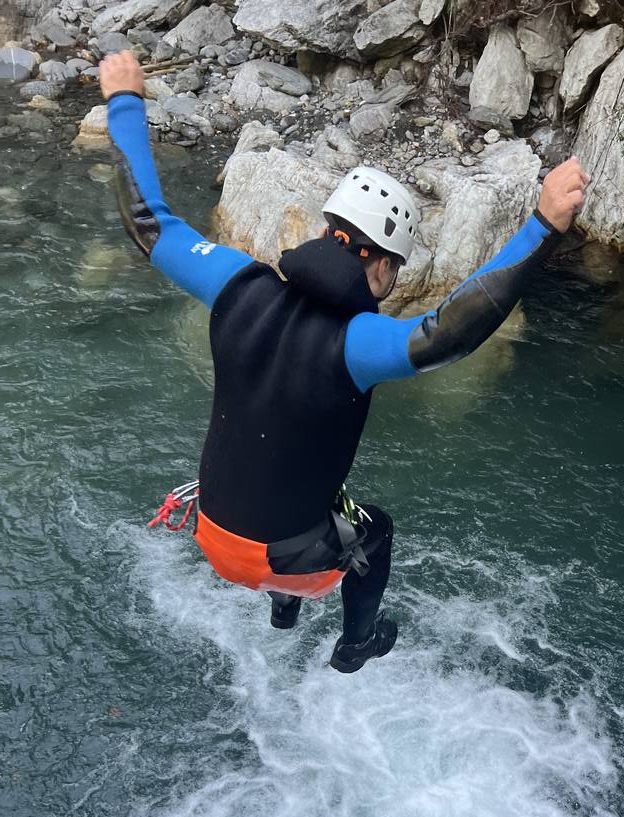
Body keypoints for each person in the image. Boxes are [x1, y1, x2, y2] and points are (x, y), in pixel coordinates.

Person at [99, 51, 588, 672]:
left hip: (212, 534)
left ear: (330, 228)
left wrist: (124, 99)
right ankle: (355, 645)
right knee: (373, 530)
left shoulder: (234, 282)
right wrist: (542, 226)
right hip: (283, 558)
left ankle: (282, 610)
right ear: (382, 264)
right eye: (396, 270)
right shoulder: (357, 345)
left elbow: (146, 221)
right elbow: (448, 334)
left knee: (315, 499)